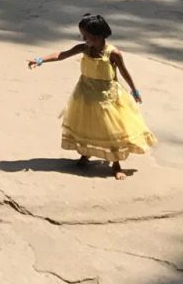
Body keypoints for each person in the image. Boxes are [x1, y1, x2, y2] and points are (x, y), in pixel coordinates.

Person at [27, 14, 156, 180]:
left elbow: (124, 71)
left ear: (99, 35)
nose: (84, 39)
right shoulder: (83, 48)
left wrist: (134, 89)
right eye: (83, 36)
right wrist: (40, 60)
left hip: (106, 97)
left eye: (86, 36)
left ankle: (116, 164)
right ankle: (85, 155)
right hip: (85, 93)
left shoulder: (113, 53)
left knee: (111, 131)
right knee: (86, 125)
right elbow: (62, 55)